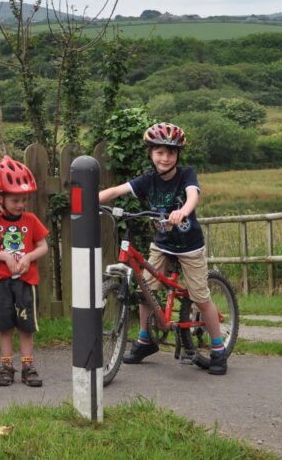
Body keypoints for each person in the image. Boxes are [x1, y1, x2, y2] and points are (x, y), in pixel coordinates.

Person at [98, 122, 228, 375]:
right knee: (145, 289)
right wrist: (85, 201)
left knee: (200, 297)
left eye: (170, 153)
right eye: (159, 152)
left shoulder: (186, 175)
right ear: (151, 153)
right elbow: (117, 190)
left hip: (189, 246)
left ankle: (218, 348)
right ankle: (145, 340)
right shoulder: (148, 180)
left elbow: (192, 195)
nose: (165, 158)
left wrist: (183, 211)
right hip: (162, 244)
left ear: (178, 155)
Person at [0, 156, 50, 387]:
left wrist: (28, 257)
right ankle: (7, 366)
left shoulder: (31, 220)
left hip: (26, 283)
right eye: (15, 200)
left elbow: (43, 246)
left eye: (24, 200)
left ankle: (28, 366)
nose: (21, 205)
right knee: (5, 326)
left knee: (26, 327)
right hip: (2, 283)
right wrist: (5, 256)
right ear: (0, 198)